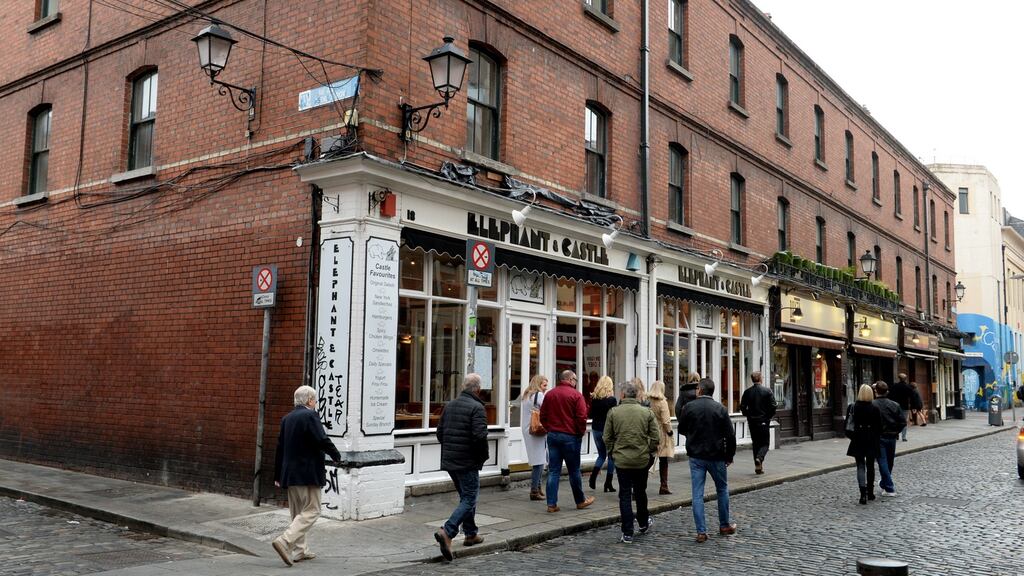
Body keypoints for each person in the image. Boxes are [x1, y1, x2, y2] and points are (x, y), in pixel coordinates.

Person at [272, 385, 342, 566]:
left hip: (290, 474)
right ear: (310, 400)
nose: (316, 403)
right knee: (312, 510)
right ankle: (285, 540)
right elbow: (321, 439)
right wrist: (336, 455)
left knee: (297, 513)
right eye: (315, 400)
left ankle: (300, 551)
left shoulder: (286, 419)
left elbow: (280, 448)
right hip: (307, 473)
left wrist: (278, 474)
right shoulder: (310, 415)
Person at [433, 374, 490, 562]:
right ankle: (447, 531)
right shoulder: (477, 407)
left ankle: (471, 534)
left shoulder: (450, 406)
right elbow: (480, 437)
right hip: (467, 461)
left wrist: (451, 449)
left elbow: (440, 433)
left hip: (451, 460)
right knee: (469, 498)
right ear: (478, 389)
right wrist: (480, 458)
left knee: (466, 497)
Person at [678, 378, 737, 543]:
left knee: (697, 494)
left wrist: (693, 436)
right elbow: (730, 435)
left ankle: (701, 531)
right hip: (716, 456)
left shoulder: (688, 407)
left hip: (696, 456)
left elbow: (682, 428)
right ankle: (724, 525)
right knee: (722, 489)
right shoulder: (720, 409)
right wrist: (729, 455)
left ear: (699, 390)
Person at [604, 381, 661, 544]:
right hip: (641, 459)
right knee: (640, 492)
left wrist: (613, 451)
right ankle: (643, 523)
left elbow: (607, 437)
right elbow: (656, 437)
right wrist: (648, 450)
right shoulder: (646, 412)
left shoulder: (614, 412)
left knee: (625, 494)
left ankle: (627, 531)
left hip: (621, 460)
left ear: (622, 394)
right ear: (636, 395)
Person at [540, 370, 596, 513]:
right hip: (570, 436)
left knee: (553, 471)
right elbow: (581, 417)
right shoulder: (576, 395)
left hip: (553, 435)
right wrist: (580, 432)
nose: (576, 383)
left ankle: (551, 504)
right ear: (571, 379)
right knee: (574, 470)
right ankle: (580, 500)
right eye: (575, 380)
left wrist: (549, 429)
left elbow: (543, 415)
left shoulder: (550, 394)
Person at [845, 384, 882, 504]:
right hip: (871, 438)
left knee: (860, 466)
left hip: (858, 438)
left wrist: (853, 437)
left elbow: (847, 426)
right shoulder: (875, 408)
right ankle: (870, 493)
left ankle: (862, 495)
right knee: (871, 466)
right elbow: (880, 427)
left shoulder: (853, 407)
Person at [739, 371, 777, 475]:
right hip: (763, 421)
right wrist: (768, 417)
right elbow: (774, 406)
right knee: (765, 443)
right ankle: (759, 458)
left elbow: (742, 407)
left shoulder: (747, 392)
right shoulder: (767, 391)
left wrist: (748, 415)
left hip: (752, 422)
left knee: (756, 443)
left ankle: (758, 467)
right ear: (760, 379)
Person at [519, 374, 549, 501]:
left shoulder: (526, 395)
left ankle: (538, 488)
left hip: (528, 429)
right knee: (539, 461)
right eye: (544, 385)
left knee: (538, 460)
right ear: (538, 384)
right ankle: (534, 491)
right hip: (536, 430)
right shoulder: (539, 395)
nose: (546, 388)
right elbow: (547, 409)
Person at [872, 381, 904, 497]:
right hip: (891, 437)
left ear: (876, 392)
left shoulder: (872, 404)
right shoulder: (895, 405)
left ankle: (889, 487)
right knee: (889, 462)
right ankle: (886, 484)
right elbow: (902, 422)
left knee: (883, 462)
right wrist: (896, 432)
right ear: (887, 391)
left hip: (879, 437)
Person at [588, 376, 618, 493]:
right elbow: (614, 416)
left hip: (596, 429)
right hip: (608, 430)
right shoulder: (612, 400)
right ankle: (608, 483)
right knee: (611, 456)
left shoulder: (595, 399)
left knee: (601, 455)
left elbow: (590, 414)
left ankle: (592, 478)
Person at [647, 380, 675, 494]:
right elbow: (666, 421)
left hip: (649, 432)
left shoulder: (648, 401)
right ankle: (664, 486)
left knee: (649, 459)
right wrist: (670, 432)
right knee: (663, 460)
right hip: (661, 433)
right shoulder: (662, 402)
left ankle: (639, 485)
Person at [888, 373, 914, 442]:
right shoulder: (908, 387)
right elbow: (912, 397)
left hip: (895, 406)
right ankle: (904, 437)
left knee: (896, 420)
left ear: (899, 378)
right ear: (905, 379)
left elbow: (890, 396)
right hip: (905, 406)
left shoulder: (894, 386)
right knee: (904, 421)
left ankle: (896, 435)